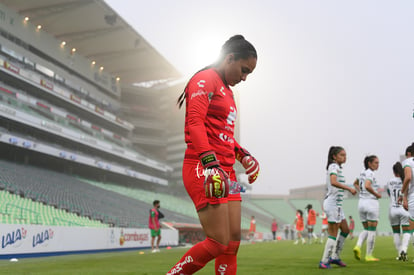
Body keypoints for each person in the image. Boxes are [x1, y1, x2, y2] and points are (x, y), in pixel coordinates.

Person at [167, 35, 259, 275]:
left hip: (227, 171)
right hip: (204, 167)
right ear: (229, 58)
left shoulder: (228, 92)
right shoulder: (204, 79)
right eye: (244, 70)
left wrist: (243, 155)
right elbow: (195, 123)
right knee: (218, 242)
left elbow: (224, 134)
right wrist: (210, 163)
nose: (245, 77)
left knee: (232, 244)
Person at [319, 146, 356, 269]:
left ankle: (335, 256)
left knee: (345, 230)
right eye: (342, 155)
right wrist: (349, 188)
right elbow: (334, 182)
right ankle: (324, 261)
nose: (344, 157)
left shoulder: (337, 167)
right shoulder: (333, 166)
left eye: (345, 155)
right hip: (332, 204)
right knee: (333, 234)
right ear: (334, 156)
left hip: (338, 205)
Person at [353, 155, 381, 262]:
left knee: (366, 229)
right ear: (369, 163)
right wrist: (376, 194)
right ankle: (369, 255)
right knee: (372, 230)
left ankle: (358, 246)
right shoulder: (370, 173)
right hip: (371, 203)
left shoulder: (361, 173)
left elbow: (355, 183)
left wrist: (361, 192)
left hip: (361, 203)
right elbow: (368, 185)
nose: (377, 165)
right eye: (376, 163)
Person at [387, 162, 411, 261]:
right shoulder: (405, 180)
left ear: (393, 172)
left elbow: (389, 193)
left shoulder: (390, 181)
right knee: (407, 231)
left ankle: (399, 253)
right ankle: (404, 251)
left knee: (396, 232)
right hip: (404, 208)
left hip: (393, 209)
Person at [401, 144, 414, 251]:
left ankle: (403, 250)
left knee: (412, 225)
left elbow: (408, 177)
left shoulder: (408, 162)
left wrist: (402, 195)